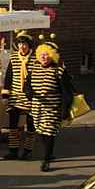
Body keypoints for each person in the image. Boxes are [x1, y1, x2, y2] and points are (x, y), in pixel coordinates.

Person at [24, 34, 73, 172]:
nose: (43, 57)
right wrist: (29, 93)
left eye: (46, 55)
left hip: (52, 107)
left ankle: (46, 160)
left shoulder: (59, 70)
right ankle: (49, 153)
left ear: (52, 56)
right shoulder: (34, 68)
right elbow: (26, 85)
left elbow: (67, 93)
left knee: (49, 132)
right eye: (41, 54)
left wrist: (65, 110)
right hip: (36, 107)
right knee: (40, 131)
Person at [1, 31, 36, 160]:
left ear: (29, 46)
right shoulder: (14, 58)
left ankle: (27, 150)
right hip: (15, 96)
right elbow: (9, 76)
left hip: (30, 97)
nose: (22, 47)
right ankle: (13, 150)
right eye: (20, 44)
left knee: (31, 125)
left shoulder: (35, 59)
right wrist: (6, 92)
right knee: (13, 125)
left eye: (25, 44)